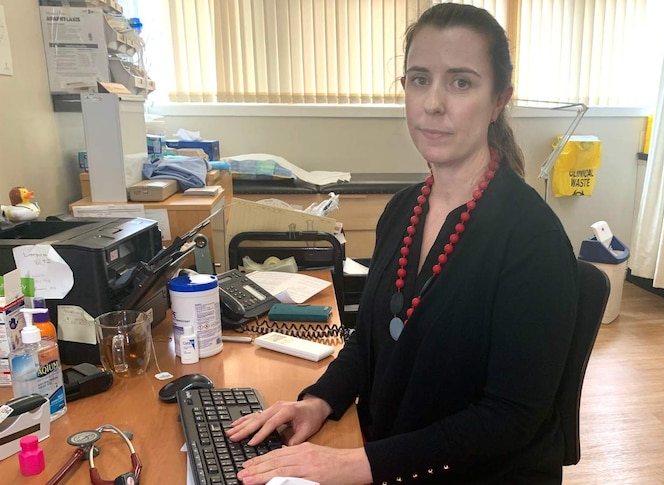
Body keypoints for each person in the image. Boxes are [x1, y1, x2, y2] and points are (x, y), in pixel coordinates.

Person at [227, 4, 579, 484]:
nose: (434, 103)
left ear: (499, 99)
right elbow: (371, 339)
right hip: (392, 456)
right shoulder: (403, 209)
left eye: (461, 82)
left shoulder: (531, 241)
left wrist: (354, 465)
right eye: (419, 79)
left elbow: (510, 418)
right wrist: (318, 402)